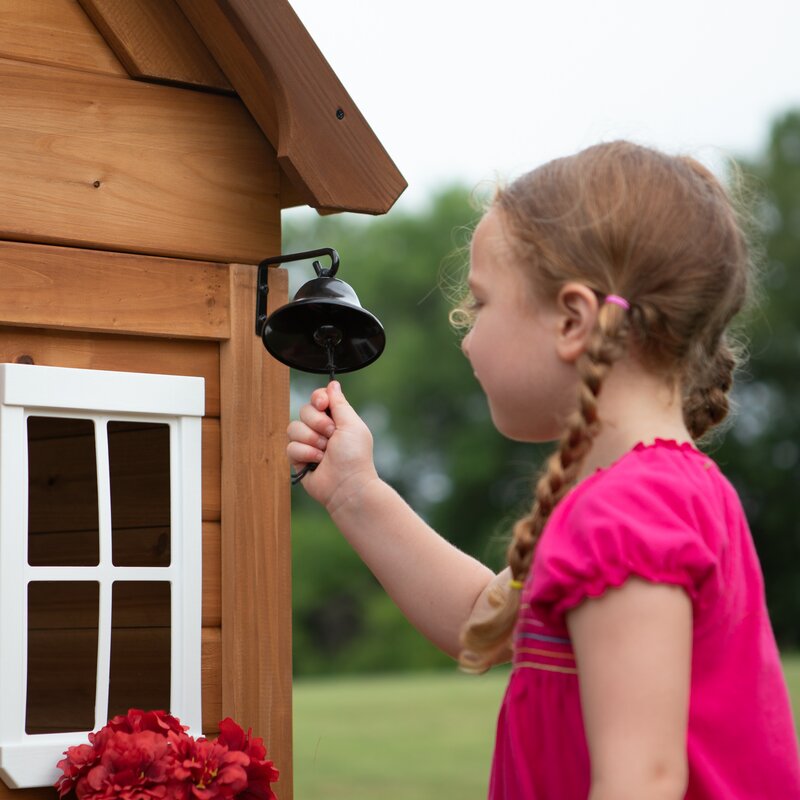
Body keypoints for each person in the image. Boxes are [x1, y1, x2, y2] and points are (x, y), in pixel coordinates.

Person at [286, 141, 800, 799]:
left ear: (572, 320)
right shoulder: (661, 495)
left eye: (480, 303)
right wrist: (356, 491)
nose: (465, 336)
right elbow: (480, 617)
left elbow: (640, 782)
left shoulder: (627, 515)